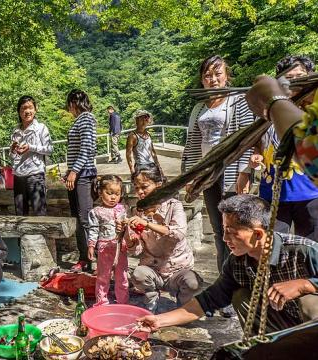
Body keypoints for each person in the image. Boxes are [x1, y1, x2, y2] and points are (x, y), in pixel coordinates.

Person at [136, 194, 318, 335]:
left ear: (258, 234)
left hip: (309, 327)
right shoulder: (236, 262)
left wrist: (305, 285)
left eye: (231, 233)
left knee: (309, 301)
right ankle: (266, 346)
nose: (225, 239)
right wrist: (159, 321)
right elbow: (207, 301)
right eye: (224, 231)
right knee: (241, 296)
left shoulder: (303, 251)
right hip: (282, 323)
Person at [182, 55, 256, 294]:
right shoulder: (199, 108)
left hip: (232, 170)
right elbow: (193, 143)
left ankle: (239, 282)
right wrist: (190, 176)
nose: (212, 79)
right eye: (207, 75)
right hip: (208, 172)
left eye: (217, 74)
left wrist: (245, 173)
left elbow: (247, 138)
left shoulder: (239, 101)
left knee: (237, 229)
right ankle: (225, 282)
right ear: (202, 80)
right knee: (218, 229)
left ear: (226, 76)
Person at [241, 56, 318, 241]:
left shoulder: (314, 108)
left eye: (300, 76)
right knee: (272, 250)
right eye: (289, 78)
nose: (295, 82)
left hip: (311, 194)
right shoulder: (266, 110)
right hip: (273, 194)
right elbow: (256, 141)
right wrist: (254, 158)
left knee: (312, 252)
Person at [128, 167, 200, 313]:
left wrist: (147, 224)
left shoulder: (174, 205)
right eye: (137, 188)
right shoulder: (137, 211)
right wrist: (130, 240)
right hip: (153, 269)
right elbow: (137, 250)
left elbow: (178, 233)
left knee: (192, 283)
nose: (140, 192)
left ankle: (182, 307)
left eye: (144, 187)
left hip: (178, 269)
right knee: (139, 274)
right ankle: (151, 302)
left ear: (159, 185)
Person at [65, 89, 97, 272]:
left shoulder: (86, 118)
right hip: (76, 173)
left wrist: (74, 171)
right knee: (77, 217)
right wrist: (69, 171)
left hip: (84, 174)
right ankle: (84, 256)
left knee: (86, 218)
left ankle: (92, 257)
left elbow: (86, 149)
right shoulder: (79, 120)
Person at [88, 175, 132, 306]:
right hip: (105, 248)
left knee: (122, 276)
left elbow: (127, 227)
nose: (113, 197)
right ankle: (102, 302)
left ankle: (123, 302)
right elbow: (93, 229)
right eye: (109, 193)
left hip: (120, 248)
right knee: (103, 276)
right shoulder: (96, 212)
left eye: (117, 194)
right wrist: (91, 246)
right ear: (100, 192)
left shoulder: (123, 209)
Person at [10, 95, 53, 216]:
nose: (27, 111)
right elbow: (13, 157)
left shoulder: (41, 128)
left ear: (35, 109)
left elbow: (49, 149)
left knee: (40, 213)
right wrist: (13, 150)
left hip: (35, 174)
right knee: (20, 214)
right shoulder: (15, 130)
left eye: (30, 108)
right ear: (19, 111)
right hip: (18, 175)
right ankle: (23, 236)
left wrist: (31, 147)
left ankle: (42, 236)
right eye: (23, 108)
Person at [125, 110, 163, 176]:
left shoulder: (148, 134)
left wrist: (159, 166)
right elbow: (128, 154)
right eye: (141, 118)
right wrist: (132, 169)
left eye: (146, 118)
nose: (144, 120)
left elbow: (153, 152)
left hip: (151, 164)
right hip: (140, 166)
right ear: (136, 121)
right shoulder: (132, 136)